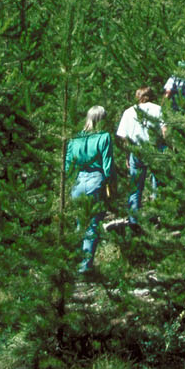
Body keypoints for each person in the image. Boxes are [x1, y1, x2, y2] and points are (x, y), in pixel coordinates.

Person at [65, 106, 117, 273]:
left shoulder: (75, 139)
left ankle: (75, 262)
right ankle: (85, 267)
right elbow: (107, 165)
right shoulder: (104, 137)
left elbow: (68, 165)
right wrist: (111, 183)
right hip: (96, 180)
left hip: (78, 181)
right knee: (93, 224)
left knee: (80, 223)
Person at [116, 87, 164, 226]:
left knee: (135, 188)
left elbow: (124, 138)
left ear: (138, 97)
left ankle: (133, 221)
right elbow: (165, 129)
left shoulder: (129, 112)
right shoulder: (157, 109)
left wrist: (127, 155)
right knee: (157, 185)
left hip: (136, 151)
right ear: (150, 96)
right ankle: (158, 216)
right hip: (154, 149)